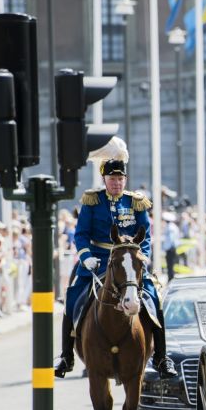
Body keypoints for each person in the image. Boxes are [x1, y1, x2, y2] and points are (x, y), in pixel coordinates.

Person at [54, 140, 176, 379]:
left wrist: (144, 258)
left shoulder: (136, 202)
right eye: (112, 179)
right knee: (72, 297)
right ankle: (66, 355)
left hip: (130, 260)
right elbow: (81, 234)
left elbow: (146, 235)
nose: (117, 183)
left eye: (120, 179)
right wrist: (86, 257)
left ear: (125, 180)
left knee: (153, 299)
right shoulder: (92, 200)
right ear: (104, 180)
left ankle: (162, 356)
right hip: (98, 259)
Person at [161, 211, 181, 282]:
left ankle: (170, 279)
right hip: (172, 248)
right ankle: (170, 278)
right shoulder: (174, 226)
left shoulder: (170, 227)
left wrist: (166, 248)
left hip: (170, 249)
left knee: (170, 265)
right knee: (171, 265)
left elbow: (171, 239)